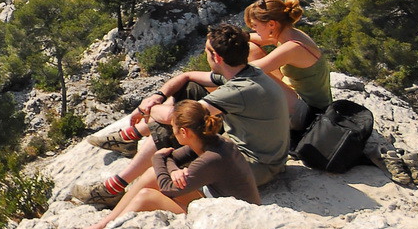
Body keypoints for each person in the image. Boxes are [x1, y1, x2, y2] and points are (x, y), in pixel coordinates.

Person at [72, 23, 290, 205]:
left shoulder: (239, 90)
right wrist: (157, 96)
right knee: (190, 90)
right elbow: (187, 76)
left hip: (255, 166)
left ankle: (117, 185)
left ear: (217, 58)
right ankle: (131, 141)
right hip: (261, 153)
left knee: (178, 121)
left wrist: (148, 109)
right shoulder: (245, 73)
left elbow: (172, 118)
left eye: (206, 51)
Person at [58, 101, 259, 229]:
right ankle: (104, 225)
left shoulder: (211, 158)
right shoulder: (210, 141)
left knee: (146, 196)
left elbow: (168, 187)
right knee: (153, 174)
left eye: (173, 128)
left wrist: (159, 160)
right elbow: (171, 159)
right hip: (220, 204)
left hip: (230, 223)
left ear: (184, 132)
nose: (171, 132)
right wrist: (171, 169)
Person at [245, 0, 332, 130]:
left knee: (251, 74)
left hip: (310, 112)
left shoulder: (292, 48)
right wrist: (239, 36)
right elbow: (258, 39)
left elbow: (249, 71)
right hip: (300, 95)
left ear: (272, 24)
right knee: (250, 48)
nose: (254, 30)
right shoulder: (291, 34)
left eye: (255, 26)